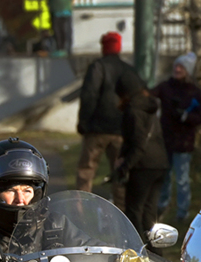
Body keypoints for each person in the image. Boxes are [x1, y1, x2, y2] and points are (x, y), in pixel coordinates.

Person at [76, 32, 138, 209]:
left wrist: (83, 122)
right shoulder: (128, 69)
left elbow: (89, 96)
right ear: (119, 47)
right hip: (120, 131)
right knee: (120, 174)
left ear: (103, 47)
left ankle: (79, 209)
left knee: (86, 172)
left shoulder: (97, 67)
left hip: (95, 130)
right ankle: (121, 212)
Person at [116, 77, 169, 240]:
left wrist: (124, 167)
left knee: (134, 210)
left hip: (143, 166)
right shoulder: (150, 107)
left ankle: (138, 249)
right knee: (149, 211)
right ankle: (156, 252)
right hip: (160, 163)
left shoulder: (133, 110)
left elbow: (138, 144)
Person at [152, 52, 201, 226]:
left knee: (182, 179)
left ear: (187, 70)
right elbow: (149, 96)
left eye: (181, 67)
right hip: (166, 140)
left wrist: (185, 117)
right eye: (175, 66)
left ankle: (182, 213)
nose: (177, 69)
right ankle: (161, 208)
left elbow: (199, 117)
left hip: (184, 143)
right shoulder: (165, 87)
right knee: (164, 177)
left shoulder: (194, 92)